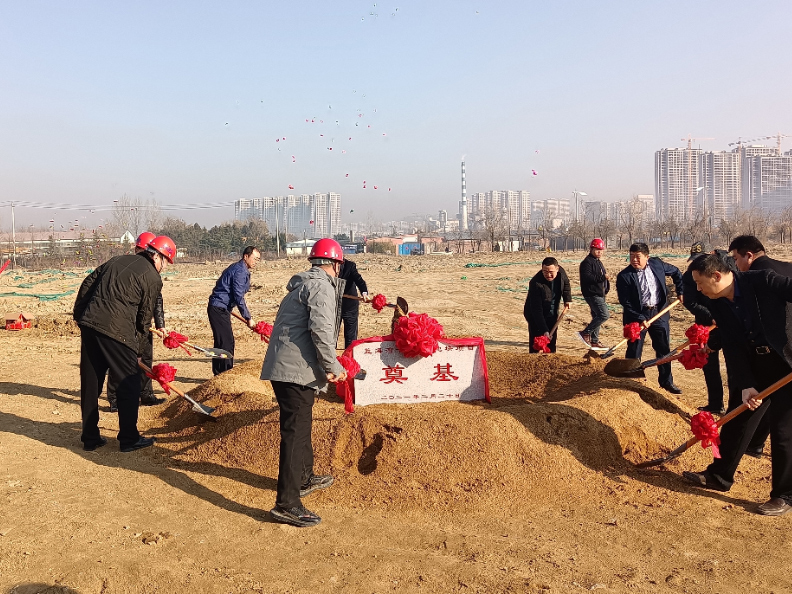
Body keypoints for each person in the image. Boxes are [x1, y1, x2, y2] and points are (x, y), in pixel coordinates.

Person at [682, 254, 792, 516]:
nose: (698, 289)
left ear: (716, 276)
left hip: (786, 362)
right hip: (756, 363)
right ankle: (719, 476)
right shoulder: (718, 303)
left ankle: (784, 495)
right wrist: (745, 384)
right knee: (738, 418)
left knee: (783, 430)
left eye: (699, 282)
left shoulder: (763, 281)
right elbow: (732, 345)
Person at [261, 238, 347, 528]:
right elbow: (321, 331)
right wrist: (333, 366)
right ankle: (286, 504)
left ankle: (304, 478)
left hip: (292, 368)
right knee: (294, 435)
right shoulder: (321, 287)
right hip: (293, 371)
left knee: (301, 427)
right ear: (335, 264)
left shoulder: (304, 284)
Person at [73, 235, 176, 452]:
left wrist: (81, 316)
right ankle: (129, 438)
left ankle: (90, 438)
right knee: (129, 383)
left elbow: (88, 283)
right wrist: (138, 351)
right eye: (166, 262)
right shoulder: (152, 277)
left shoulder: (117, 259)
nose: (165, 267)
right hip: (118, 332)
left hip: (90, 325)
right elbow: (144, 320)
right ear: (156, 256)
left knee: (91, 383)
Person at [727, 235, 792, 457]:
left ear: (749, 255)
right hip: (787, 353)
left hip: (769, 353)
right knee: (777, 409)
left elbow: (749, 321)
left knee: (749, 408)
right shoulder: (787, 267)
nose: (736, 265)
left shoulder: (757, 278)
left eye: (736, 259)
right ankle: (756, 444)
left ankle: (724, 467)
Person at [107, 232, 167, 412]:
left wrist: (160, 323)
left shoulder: (151, 273)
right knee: (120, 360)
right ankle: (115, 398)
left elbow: (157, 299)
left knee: (145, 358)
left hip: (143, 321)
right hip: (125, 322)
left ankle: (146, 394)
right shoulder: (128, 268)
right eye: (141, 250)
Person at [616, 243, 684, 394]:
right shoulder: (624, 276)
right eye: (631, 256)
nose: (634, 260)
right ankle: (632, 381)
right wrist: (640, 318)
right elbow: (625, 302)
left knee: (663, 349)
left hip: (659, 312)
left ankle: (666, 382)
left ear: (647, 257)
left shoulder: (657, 265)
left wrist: (681, 291)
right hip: (637, 315)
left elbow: (676, 272)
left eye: (638, 256)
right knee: (634, 349)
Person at [681, 241, 727, 415]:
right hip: (706, 325)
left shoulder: (722, 268)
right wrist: (711, 317)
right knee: (709, 364)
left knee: (734, 363)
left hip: (727, 321)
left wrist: (724, 316)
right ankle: (715, 403)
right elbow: (690, 302)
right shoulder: (689, 276)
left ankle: (736, 405)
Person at [207, 246, 260, 375]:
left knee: (221, 342)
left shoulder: (240, 269)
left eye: (258, 259)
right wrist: (248, 317)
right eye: (254, 258)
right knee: (226, 343)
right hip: (218, 308)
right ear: (246, 256)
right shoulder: (240, 271)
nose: (256, 262)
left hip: (221, 307)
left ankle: (218, 373)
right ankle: (226, 374)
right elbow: (238, 296)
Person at [524, 257, 571, 354]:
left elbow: (566, 284)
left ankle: (550, 358)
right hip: (535, 316)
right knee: (537, 343)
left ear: (557, 269)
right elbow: (536, 310)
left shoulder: (561, 273)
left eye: (551, 272)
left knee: (551, 342)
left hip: (552, 313)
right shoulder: (535, 283)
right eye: (545, 271)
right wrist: (544, 330)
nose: (548, 275)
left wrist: (567, 299)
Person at [577, 238, 611, 350]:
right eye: (597, 250)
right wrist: (602, 278)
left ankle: (594, 341)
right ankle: (585, 333)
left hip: (600, 293)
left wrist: (606, 288)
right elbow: (587, 278)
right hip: (592, 294)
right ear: (591, 249)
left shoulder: (598, 262)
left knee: (597, 316)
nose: (599, 252)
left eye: (601, 250)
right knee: (604, 315)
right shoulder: (587, 263)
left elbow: (603, 277)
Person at [338, 257, 369, 349]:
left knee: (350, 335)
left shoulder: (349, 266)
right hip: (333, 306)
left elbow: (359, 280)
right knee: (331, 333)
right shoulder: (326, 266)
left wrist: (364, 293)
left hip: (350, 305)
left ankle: (349, 354)